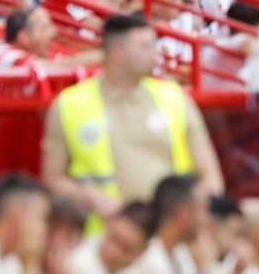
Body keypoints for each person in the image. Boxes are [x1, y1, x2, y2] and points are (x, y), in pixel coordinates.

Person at [41, 14, 223, 217]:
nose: (155, 54)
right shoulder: (69, 105)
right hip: (106, 238)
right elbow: (53, 179)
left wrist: (201, 215)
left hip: (170, 231)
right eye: (146, 47)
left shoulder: (174, 97)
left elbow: (210, 175)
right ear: (118, 52)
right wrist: (90, 197)